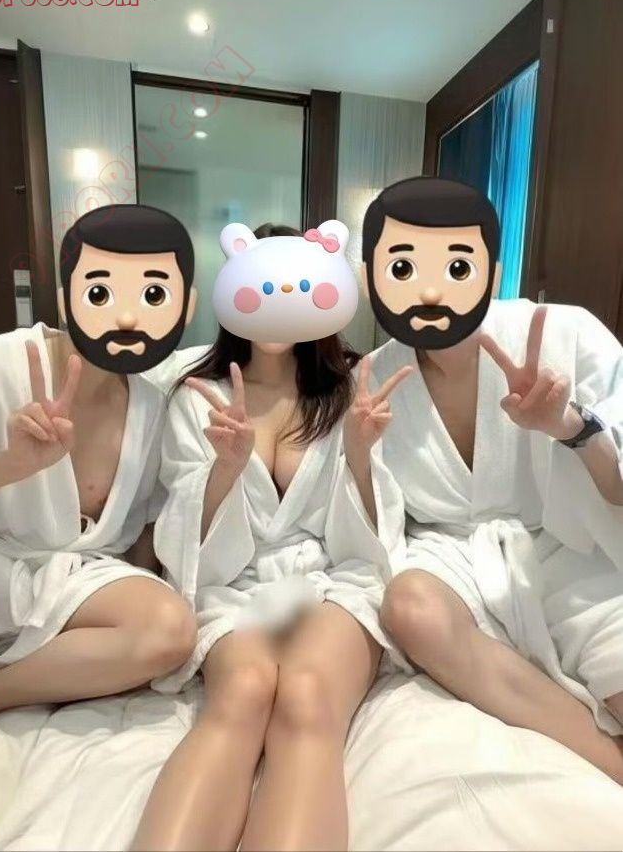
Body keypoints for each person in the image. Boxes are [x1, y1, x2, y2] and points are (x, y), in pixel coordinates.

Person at [131, 221, 409, 852]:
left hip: (334, 584)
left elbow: (371, 540)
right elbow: (186, 547)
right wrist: (225, 470)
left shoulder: (348, 394)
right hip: (236, 588)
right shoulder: (197, 397)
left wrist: (360, 452)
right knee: (244, 691)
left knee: (306, 698)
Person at [360, 176, 623, 782]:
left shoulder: (566, 334)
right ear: (372, 277)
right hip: (453, 552)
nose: (430, 289)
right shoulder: (371, 379)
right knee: (411, 609)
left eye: (457, 266)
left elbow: (617, 490)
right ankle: (606, 758)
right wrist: (354, 451)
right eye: (402, 268)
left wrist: (569, 426)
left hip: (568, 546)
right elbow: (368, 523)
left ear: (492, 271)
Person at [0, 203, 198, 754]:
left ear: (185, 307)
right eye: (101, 292)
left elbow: (143, 538)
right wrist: (4, 468)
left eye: (153, 294)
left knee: (169, 630)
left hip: (59, 587)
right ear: (68, 291)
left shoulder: (157, 405)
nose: (127, 317)